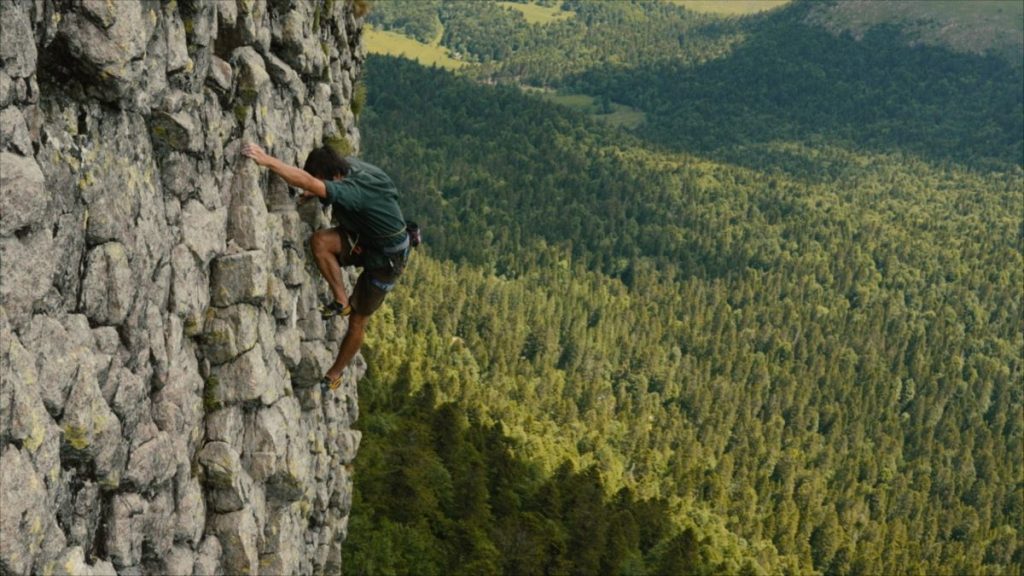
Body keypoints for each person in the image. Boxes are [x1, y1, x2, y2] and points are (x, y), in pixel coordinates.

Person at [242, 142, 409, 391]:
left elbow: (310, 183)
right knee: (320, 242)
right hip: (367, 237)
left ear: (335, 177)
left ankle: (334, 374)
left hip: (387, 260)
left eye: (323, 183)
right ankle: (341, 300)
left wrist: (268, 160)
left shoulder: (351, 191)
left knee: (357, 321)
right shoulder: (351, 166)